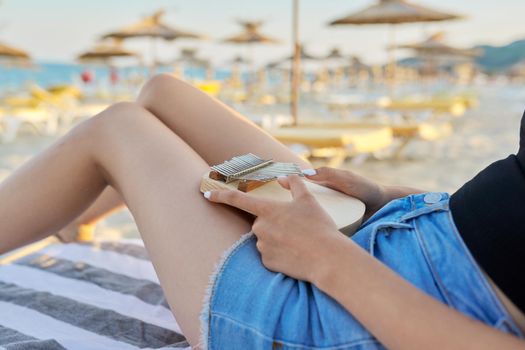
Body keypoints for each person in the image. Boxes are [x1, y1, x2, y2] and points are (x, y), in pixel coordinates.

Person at [0, 74, 523, 349]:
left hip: (352, 316)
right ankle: (74, 217)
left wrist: (325, 258)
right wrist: (385, 194)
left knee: (116, 128)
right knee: (164, 94)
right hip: (409, 228)